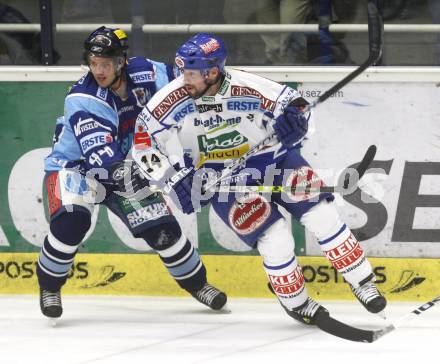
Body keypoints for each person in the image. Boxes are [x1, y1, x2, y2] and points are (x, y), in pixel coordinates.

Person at [132, 33, 387, 326]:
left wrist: (298, 124)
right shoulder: (171, 98)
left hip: (275, 160)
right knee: (275, 238)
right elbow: (142, 143)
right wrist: (170, 178)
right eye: (182, 71)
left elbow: (298, 105)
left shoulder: (247, 86)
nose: (183, 79)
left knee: (323, 216)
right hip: (221, 180)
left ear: (212, 72)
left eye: (191, 73)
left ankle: (363, 281)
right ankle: (298, 303)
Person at [38, 27, 227, 320]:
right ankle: (49, 286)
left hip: (125, 165)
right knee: (72, 221)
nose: (98, 70)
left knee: (163, 231)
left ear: (121, 61)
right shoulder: (84, 97)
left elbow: (188, 88)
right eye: (93, 63)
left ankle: (198, 284)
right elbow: (101, 156)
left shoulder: (147, 72)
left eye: (105, 64)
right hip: (77, 168)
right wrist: (156, 175)